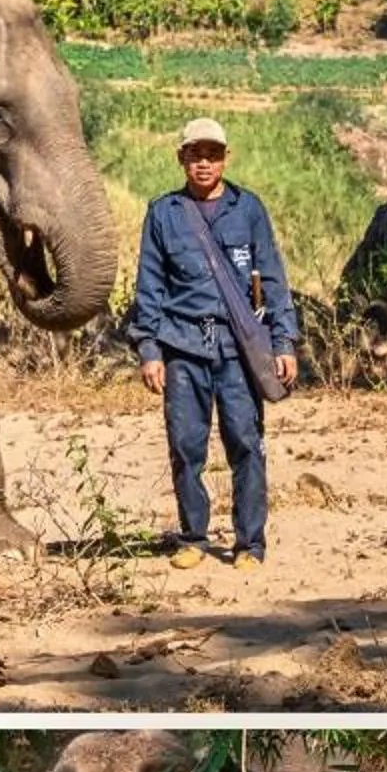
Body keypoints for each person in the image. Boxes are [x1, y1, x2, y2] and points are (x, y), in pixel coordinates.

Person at [128, 118, 299, 570]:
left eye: (213, 154)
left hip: (239, 349)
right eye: (195, 154)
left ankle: (250, 544)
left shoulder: (249, 209)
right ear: (180, 158)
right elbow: (148, 287)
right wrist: (149, 350)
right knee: (186, 446)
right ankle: (193, 538)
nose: (204, 163)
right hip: (183, 346)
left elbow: (275, 281)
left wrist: (284, 343)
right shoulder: (163, 213)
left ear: (225, 158)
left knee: (245, 442)